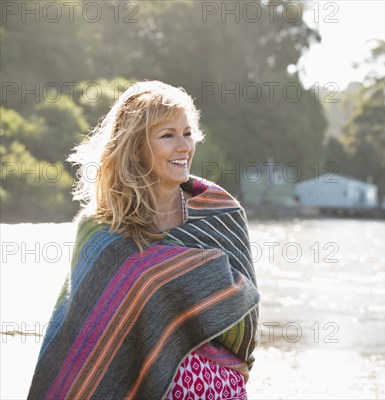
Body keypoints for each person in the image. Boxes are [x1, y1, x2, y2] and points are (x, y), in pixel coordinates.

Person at [27, 81, 260, 400]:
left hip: (217, 390)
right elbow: (83, 342)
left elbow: (245, 316)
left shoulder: (220, 212)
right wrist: (181, 271)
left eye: (188, 133)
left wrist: (184, 273)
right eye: (168, 135)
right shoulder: (100, 232)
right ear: (136, 147)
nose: (184, 146)